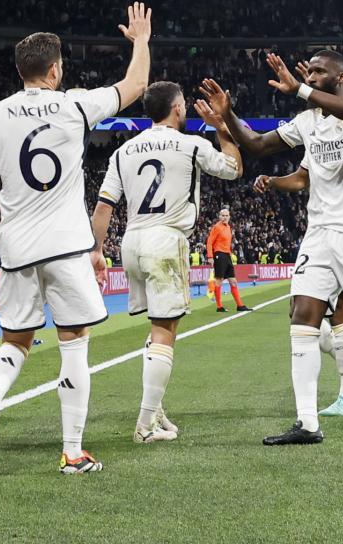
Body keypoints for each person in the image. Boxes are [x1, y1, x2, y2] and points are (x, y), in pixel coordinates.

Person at [0, 3, 152, 475]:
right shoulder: (74, 104)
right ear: (54, 70)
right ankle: (72, 452)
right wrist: (141, 42)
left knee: (15, 342)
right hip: (67, 245)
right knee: (74, 342)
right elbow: (135, 87)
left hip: (17, 247)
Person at [202, 48, 343, 443]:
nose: (312, 73)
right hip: (319, 234)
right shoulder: (307, 122)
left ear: (340, 78)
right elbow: (256, 145)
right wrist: (228, 117)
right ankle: (307, 423)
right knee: (302, 316)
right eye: (311, 70)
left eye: (320, 71)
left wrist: (300, 89)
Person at [90, 80, 243, 443]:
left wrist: (96, 250)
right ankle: (144, 426)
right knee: (165, 331)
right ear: (177, 109)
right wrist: (222, 129)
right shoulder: (191, 145)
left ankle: (155, 411)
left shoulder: (123, 151)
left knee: (156, 328)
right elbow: (233, 168)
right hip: (165, 239)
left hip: (132, 240)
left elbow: (103, 205)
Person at [254, 165, 343, 417]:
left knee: (334, 309)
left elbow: (303, 178)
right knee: (307, 309)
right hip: (326, 230)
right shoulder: (320, 138)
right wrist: (274, 180)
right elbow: (302, 177)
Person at [206, 208, 252, 312]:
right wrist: (210, 257)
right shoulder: (216, 227)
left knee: (233, 281)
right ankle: (219, 306)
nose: (225, 217)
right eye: (223, 215)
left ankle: (240, 305)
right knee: (219, 280)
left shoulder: (228, 227)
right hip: (219, 254)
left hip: (227, 255)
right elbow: (209, 242)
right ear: (219, 216)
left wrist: (230, 253)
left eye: (226, 215)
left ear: (229, 217)